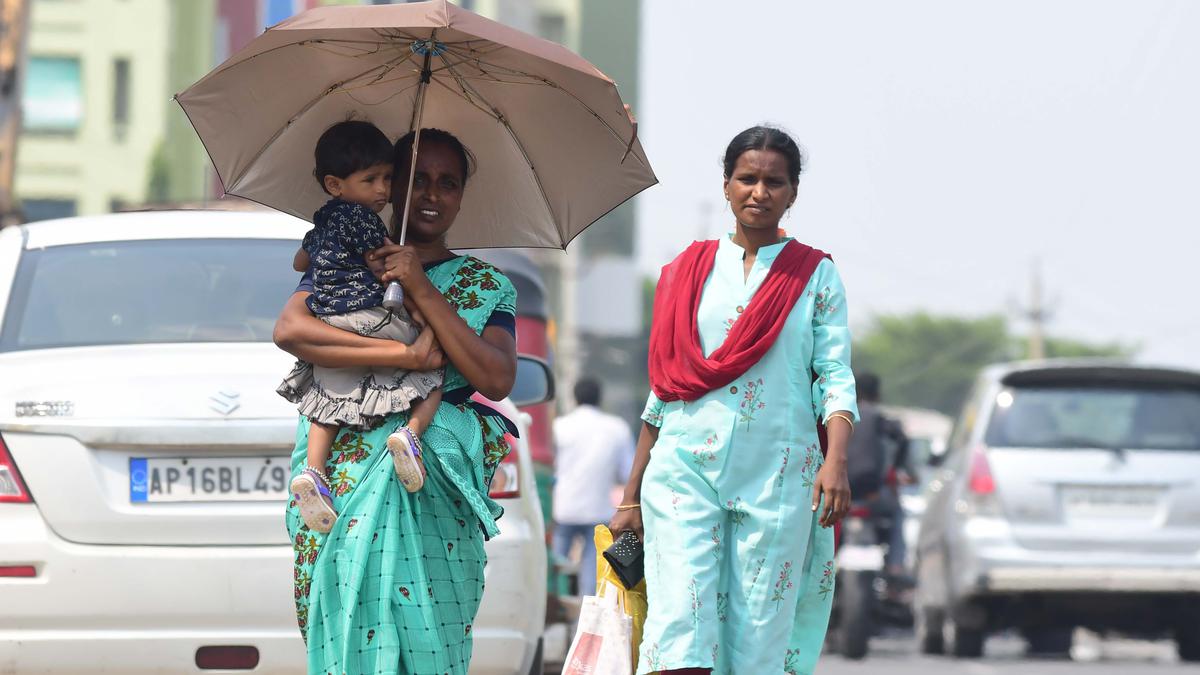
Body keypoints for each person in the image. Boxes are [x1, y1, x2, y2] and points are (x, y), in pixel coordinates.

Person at [610, 126, 858, 675]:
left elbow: (834, 373)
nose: (759, 192)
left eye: (774, 181)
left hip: (778, 473)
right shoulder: (687, 271)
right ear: (726, 185)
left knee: (759, 631)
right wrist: (631, 494)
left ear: (793, 192)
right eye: (747, 178)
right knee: (680, 622)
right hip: (683, 469)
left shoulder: (815, 274)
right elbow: (667, 385)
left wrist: (836, 461)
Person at [274, 128, 519, 674]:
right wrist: (403, 357)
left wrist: (420, 287)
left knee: (428, 632)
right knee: (342, 623)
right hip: (341, 472)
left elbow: (497, 377)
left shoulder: (485, 283)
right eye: (416, 180)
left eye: (448, 183)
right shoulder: (349, 259)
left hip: (428, 479)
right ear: (388, 186)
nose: (432, 195)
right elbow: (291, 329)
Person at [280, 120, 442, 533]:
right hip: (371, 316)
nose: (382, 191)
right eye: (370, 179)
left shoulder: (323, 221)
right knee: (434, 373)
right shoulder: (366, 221)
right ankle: (411, 434)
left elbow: (301, 262)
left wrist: (327, 255)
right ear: (335, 184)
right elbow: (382, 265)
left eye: (387, 178)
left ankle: (314, 472)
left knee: (325, 400)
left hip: (329, 318)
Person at [552, 376, 635, 596]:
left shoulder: (559, 427)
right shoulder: (617, 428)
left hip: (562, 509)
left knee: (556, 566)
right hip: (598, 510)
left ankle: (554, 608)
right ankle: (585, 617)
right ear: (600, 398)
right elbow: (627, 473)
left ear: (574, 397)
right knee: (593, 570)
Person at [846, 372, 910, 576]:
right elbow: (902, 439)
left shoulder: (839, 415)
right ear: (876, 394)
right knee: (898, 514)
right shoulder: (877, 417)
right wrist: (897, 468)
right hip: (872, 494)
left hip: (838, 492)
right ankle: (896, 565)